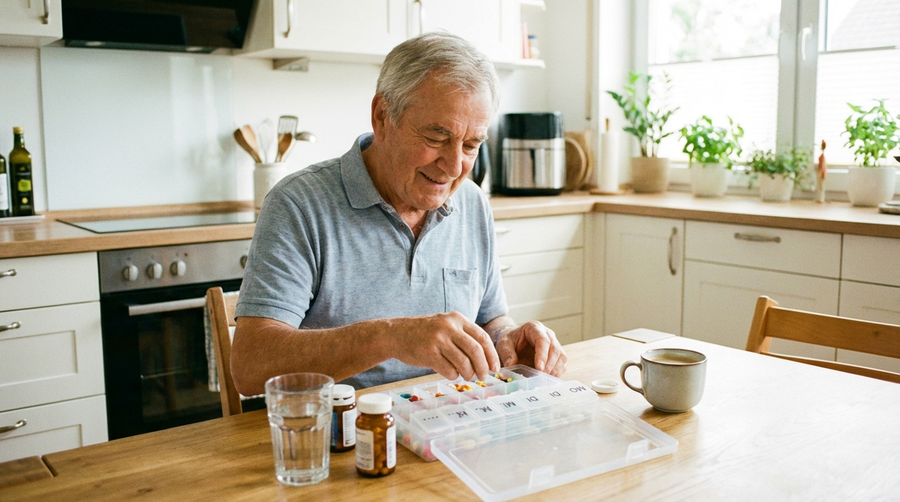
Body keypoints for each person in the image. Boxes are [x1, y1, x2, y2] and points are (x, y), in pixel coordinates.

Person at [231, 32, 566, 396]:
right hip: (342, 435)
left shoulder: (472, 202)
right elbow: (250, 367)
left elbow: (490, 317)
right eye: (437, 137)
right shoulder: (298, 205)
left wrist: (508, 338)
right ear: (382, 117)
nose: (454, 166)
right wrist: (390, 336)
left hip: (447, 426)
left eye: (471, 145)